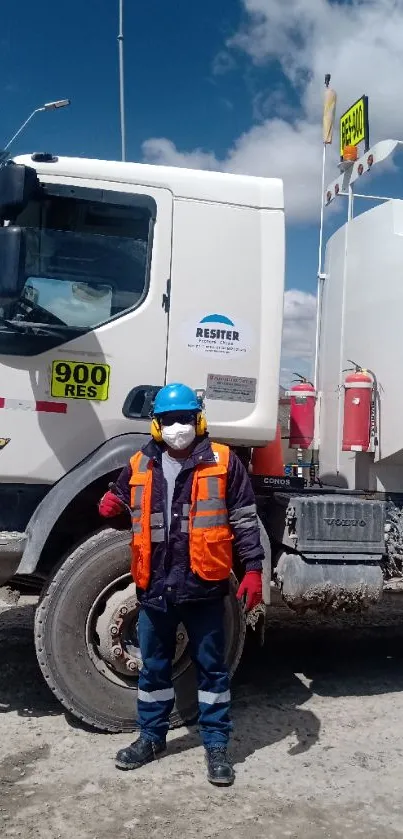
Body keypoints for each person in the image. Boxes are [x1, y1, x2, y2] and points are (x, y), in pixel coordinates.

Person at [98, 383, 264, 786]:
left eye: (185, 418)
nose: (178, 427)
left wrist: (255, 568)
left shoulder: (224, 462)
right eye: (169, 419)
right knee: (153, 670)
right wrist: (111, 505)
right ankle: (151, 738)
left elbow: (243, 520)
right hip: (154, 587)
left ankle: (217, 745)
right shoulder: (140, 463)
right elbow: (122, 504)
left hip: (203, 586)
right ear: (156, 424)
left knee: (212, 671)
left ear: (199, 420)